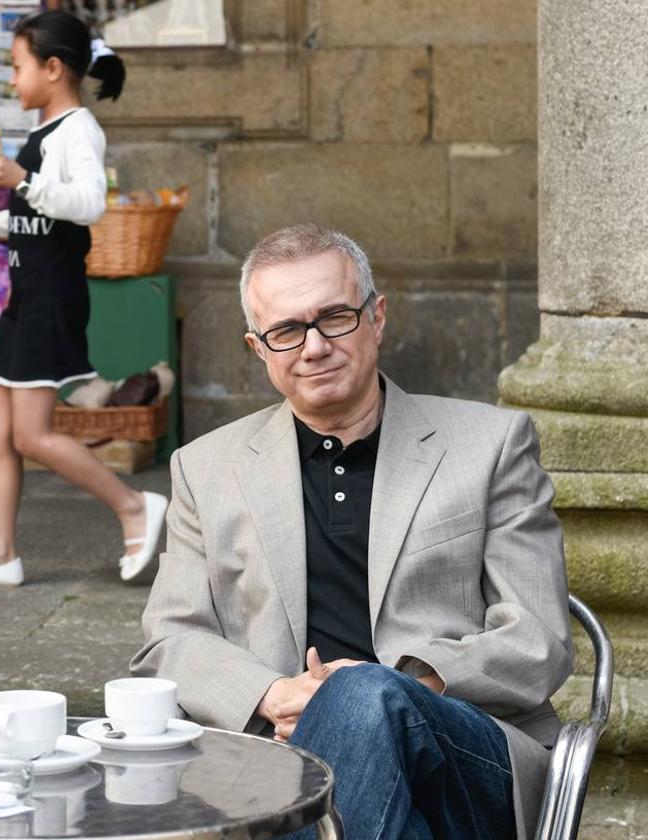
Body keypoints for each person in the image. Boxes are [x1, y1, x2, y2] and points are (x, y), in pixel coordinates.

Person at [131, 224, 572, 840]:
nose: (313, 347)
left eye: (334, 317)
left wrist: (398, 685)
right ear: (259, 348)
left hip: (460, 753)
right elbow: (170, 640)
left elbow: (539, 638)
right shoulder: (205, 469)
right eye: (286, 331)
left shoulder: (490, 445)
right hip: (280, 757)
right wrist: (276, 695)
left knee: (365, 697)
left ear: (377, 317)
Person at [0, 11, 166, 589]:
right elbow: (38, 215)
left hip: (50, 300)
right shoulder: (47, 132)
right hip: (26, 295)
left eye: (18, 67)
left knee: (31, 434)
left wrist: (18, 176)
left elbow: (87, 204)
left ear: (54, 68)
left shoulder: (78, 129)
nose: (13, 81)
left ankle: (135, 506)